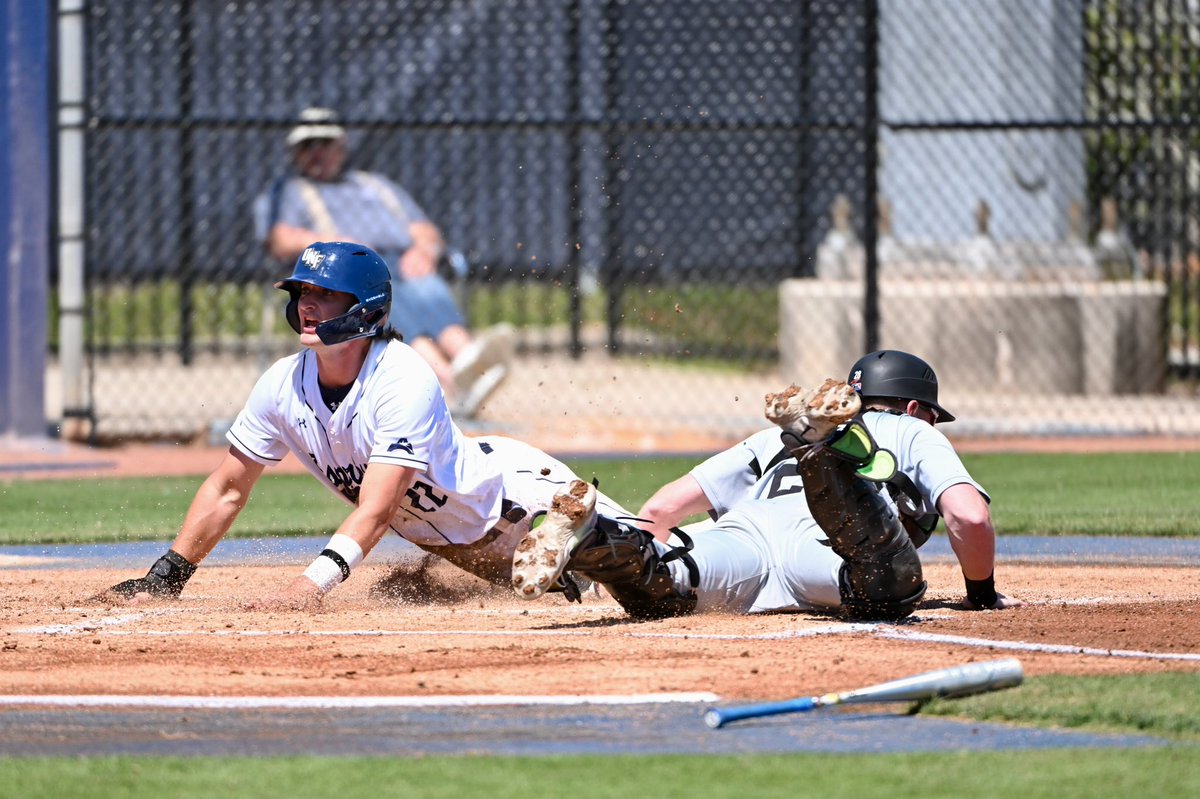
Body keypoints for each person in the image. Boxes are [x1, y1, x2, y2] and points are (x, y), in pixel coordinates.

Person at [106, 241, 651, 610]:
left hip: (525, 501)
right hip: (474, 547)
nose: (309, 306)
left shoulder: (402, 377)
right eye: (303, 295)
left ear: (364, 308)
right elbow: (227, 488)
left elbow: (378, 508)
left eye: (325, 294)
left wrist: (308, 588)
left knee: (668, 574)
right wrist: (166, 576)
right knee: (583, 595)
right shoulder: (280, 385)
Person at [506, 350, 1022, 621]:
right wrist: (981, 595)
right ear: (914, 407)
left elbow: (663, 509)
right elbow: (968, 515)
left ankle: (594, 539)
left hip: (746, 535)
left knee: (661, 588)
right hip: (823, 548)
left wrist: (610, 572)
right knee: (891, 587)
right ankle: (836, 459)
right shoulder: (910, 430)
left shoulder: (768, 438)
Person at [253, 107, 513, 418]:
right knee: (378, 292)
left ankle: (468, 357)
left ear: (340, 146)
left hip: (402, 261)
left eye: (325, 142)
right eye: (308, 145)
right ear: (295, 152)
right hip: (346, 273)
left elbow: (423, 228)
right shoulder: (290, 192)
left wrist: (424, 250)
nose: (317, 152)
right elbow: (280, 239)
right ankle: (445, 378)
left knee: (425, 285)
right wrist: (341, 247)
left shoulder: (374, 185)